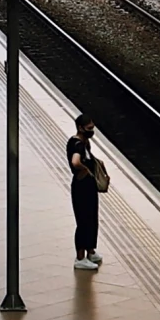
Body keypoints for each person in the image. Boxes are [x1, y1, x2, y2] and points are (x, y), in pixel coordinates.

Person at [67, 113, 104, 271]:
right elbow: (75, 162)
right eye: (89, 128)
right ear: (80, 128)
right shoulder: (77, 144)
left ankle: (90, 251)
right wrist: (86, 169)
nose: (91, 131)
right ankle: (80, 257)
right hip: (81, 187)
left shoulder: (85, 142)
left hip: (89, 187)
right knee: (83, 221)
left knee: (92, 218)